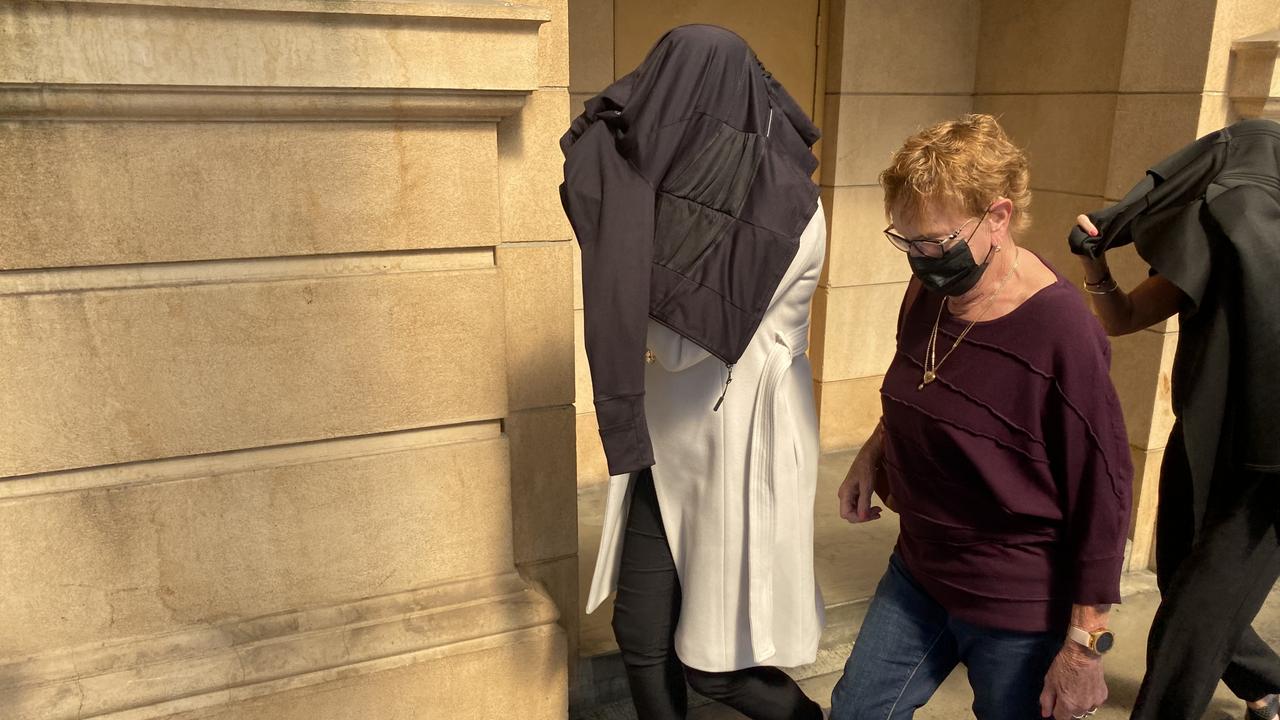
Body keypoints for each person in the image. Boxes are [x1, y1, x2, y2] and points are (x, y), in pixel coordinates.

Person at [829, 114, 1133, 720]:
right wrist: (873, 454)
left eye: (936, 243)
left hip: (1017, 602)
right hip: (919, 569)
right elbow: (921, 390)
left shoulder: (1061, 330)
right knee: (857, 711)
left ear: (997, 215)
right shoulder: (927, 292)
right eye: (906, 241)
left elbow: (1106, 492)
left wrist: (1085, 644)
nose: (921, 260)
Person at [561, 25, 827, 719]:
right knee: (639, 636)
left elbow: (686, 347)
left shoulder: (789, 207)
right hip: (669, 438)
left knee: (717, 666)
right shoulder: (683, 184)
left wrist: (627, 253)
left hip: (742, 444)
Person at [1069, 118, 1280, 720]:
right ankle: (1265, 684)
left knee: (1197, 611)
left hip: (1267, 467)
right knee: (1181, 581)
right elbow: (1125, 316)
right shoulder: (1217, 237)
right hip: (1202, 436)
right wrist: (1096, 262)